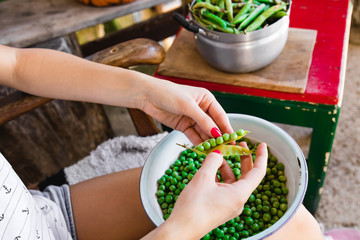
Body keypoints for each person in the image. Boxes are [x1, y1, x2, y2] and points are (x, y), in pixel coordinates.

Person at [0, 44, 349, 240]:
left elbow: (15, 64)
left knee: (297, 227)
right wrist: (184, 227)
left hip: (48, 215)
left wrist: (144, 91)